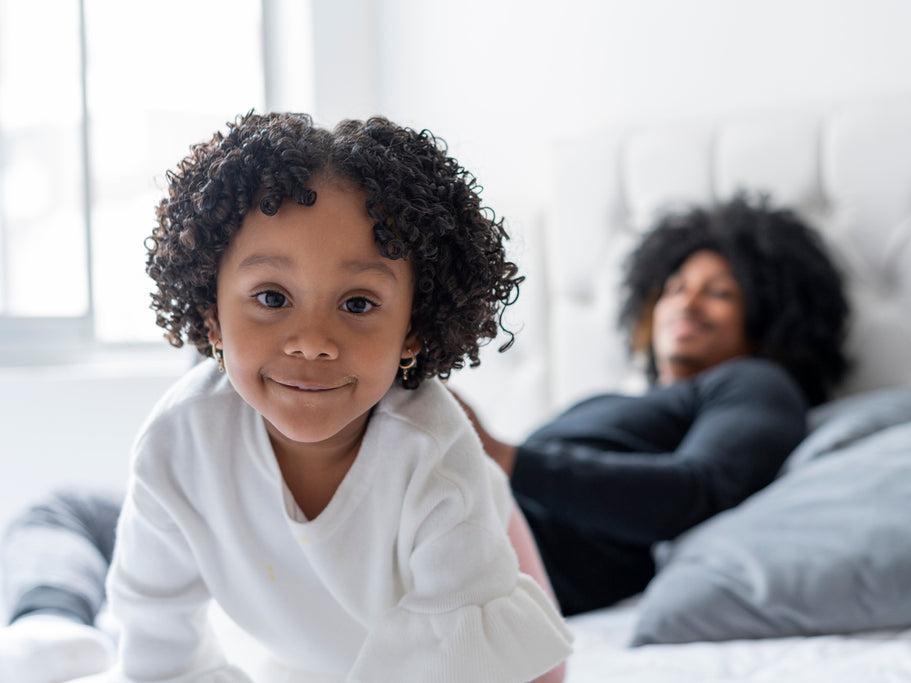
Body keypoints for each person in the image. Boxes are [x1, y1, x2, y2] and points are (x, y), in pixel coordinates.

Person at [1, 113, 572, 683]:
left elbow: (460, 658)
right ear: (212, 316)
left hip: (478, 582)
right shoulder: (179, 439)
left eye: (357, 304)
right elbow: (157, 642)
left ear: (413, 330)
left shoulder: (433, 453)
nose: (313, 343)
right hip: (318, 635)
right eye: (272, 297)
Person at [458, 194, 851, 615]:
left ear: (764, 317)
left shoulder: (756, 383)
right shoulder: (612, 402)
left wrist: (503, 457)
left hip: (493, 568)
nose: (687, 302)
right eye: (675, 287)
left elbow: (696, 492)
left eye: (718, 292)